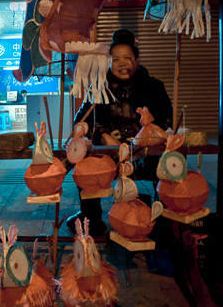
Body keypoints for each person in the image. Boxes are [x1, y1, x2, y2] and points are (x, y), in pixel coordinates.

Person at [67, 28, 173, 235]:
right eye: (115, 59)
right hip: (111, 157)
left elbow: (167, 121)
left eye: (127, 58)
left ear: (137, 61)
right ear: (108, 63)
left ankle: (163, 212)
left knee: (172, 162)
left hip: (146, 155)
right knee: (85, 164)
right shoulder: (99, 88)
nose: (122, 63)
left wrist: (150, 133)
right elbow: (81, 122)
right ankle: (91, 216)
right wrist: (102, 135)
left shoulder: (154, 87)